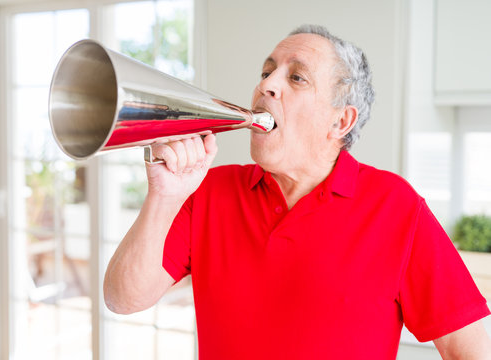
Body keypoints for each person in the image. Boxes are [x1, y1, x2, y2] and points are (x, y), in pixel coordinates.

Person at [103, 24, 491, 359]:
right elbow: (123, 298)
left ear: (340, 120)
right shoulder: (209, 191)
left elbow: (467, 348)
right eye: (267, 71)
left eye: (296, 77)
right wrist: (164, 195)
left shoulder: (397, 207)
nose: (266, 84)